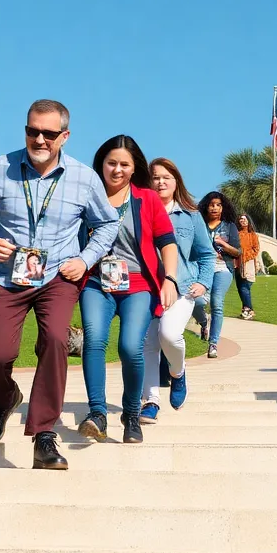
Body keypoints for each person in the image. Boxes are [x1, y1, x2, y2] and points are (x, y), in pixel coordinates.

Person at [0, 99, 118, 469]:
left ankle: (44, 434)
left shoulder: (84, 177)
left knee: (55, 340)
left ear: (64, 136)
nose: (39, 139)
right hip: (7, 277)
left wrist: (84, 259)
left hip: (58, 278)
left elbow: (108, 223)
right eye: (32, 130)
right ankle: (4, 400)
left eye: (49, 134)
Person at [75, 137, 178, 444]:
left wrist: (169, 279)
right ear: (101, 165)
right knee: (94, 340)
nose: (117, 170)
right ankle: (97, 413)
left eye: (124, 164)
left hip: (138, 284)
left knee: (131, 347)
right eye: (111, 163)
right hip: (96, 282)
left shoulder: (147, 199)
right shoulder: (86, 197)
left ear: (135, 169)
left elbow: (167, 242)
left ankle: (131, 414)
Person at [138, 157, 215, 423]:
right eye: (155, 177)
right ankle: (151, 401)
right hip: (146, 288)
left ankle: (177, 373)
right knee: (148, 344)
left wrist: (203, 282)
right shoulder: (139, 212)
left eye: (166, 177)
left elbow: (206, 254)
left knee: (169, 335)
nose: (160, 182)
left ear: (176, 182)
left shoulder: (191, 216)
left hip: (181, 288)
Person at [192, 191, 240, 358]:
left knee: (216, 303)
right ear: (206, 206)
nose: (215, 208)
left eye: (218, 205)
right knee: (196, 301)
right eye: (212, 204)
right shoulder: (199, 224)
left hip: (222, 268)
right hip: (201, 268)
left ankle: (213, 344)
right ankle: (204, 323)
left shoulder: (229, 226)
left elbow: (237, 252)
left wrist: (222, 244)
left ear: (223, 207)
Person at [235, 214, 261, 320]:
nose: (243, 221)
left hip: (248, 262)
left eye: (245, 219)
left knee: (245, 287)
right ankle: (245, 310)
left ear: (248, 221)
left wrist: (246, 255)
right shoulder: (236, 234)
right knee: (240, 287)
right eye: (241, 219)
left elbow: (256, 249)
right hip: (237, 263)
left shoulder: (253, 235)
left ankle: (249, 309)